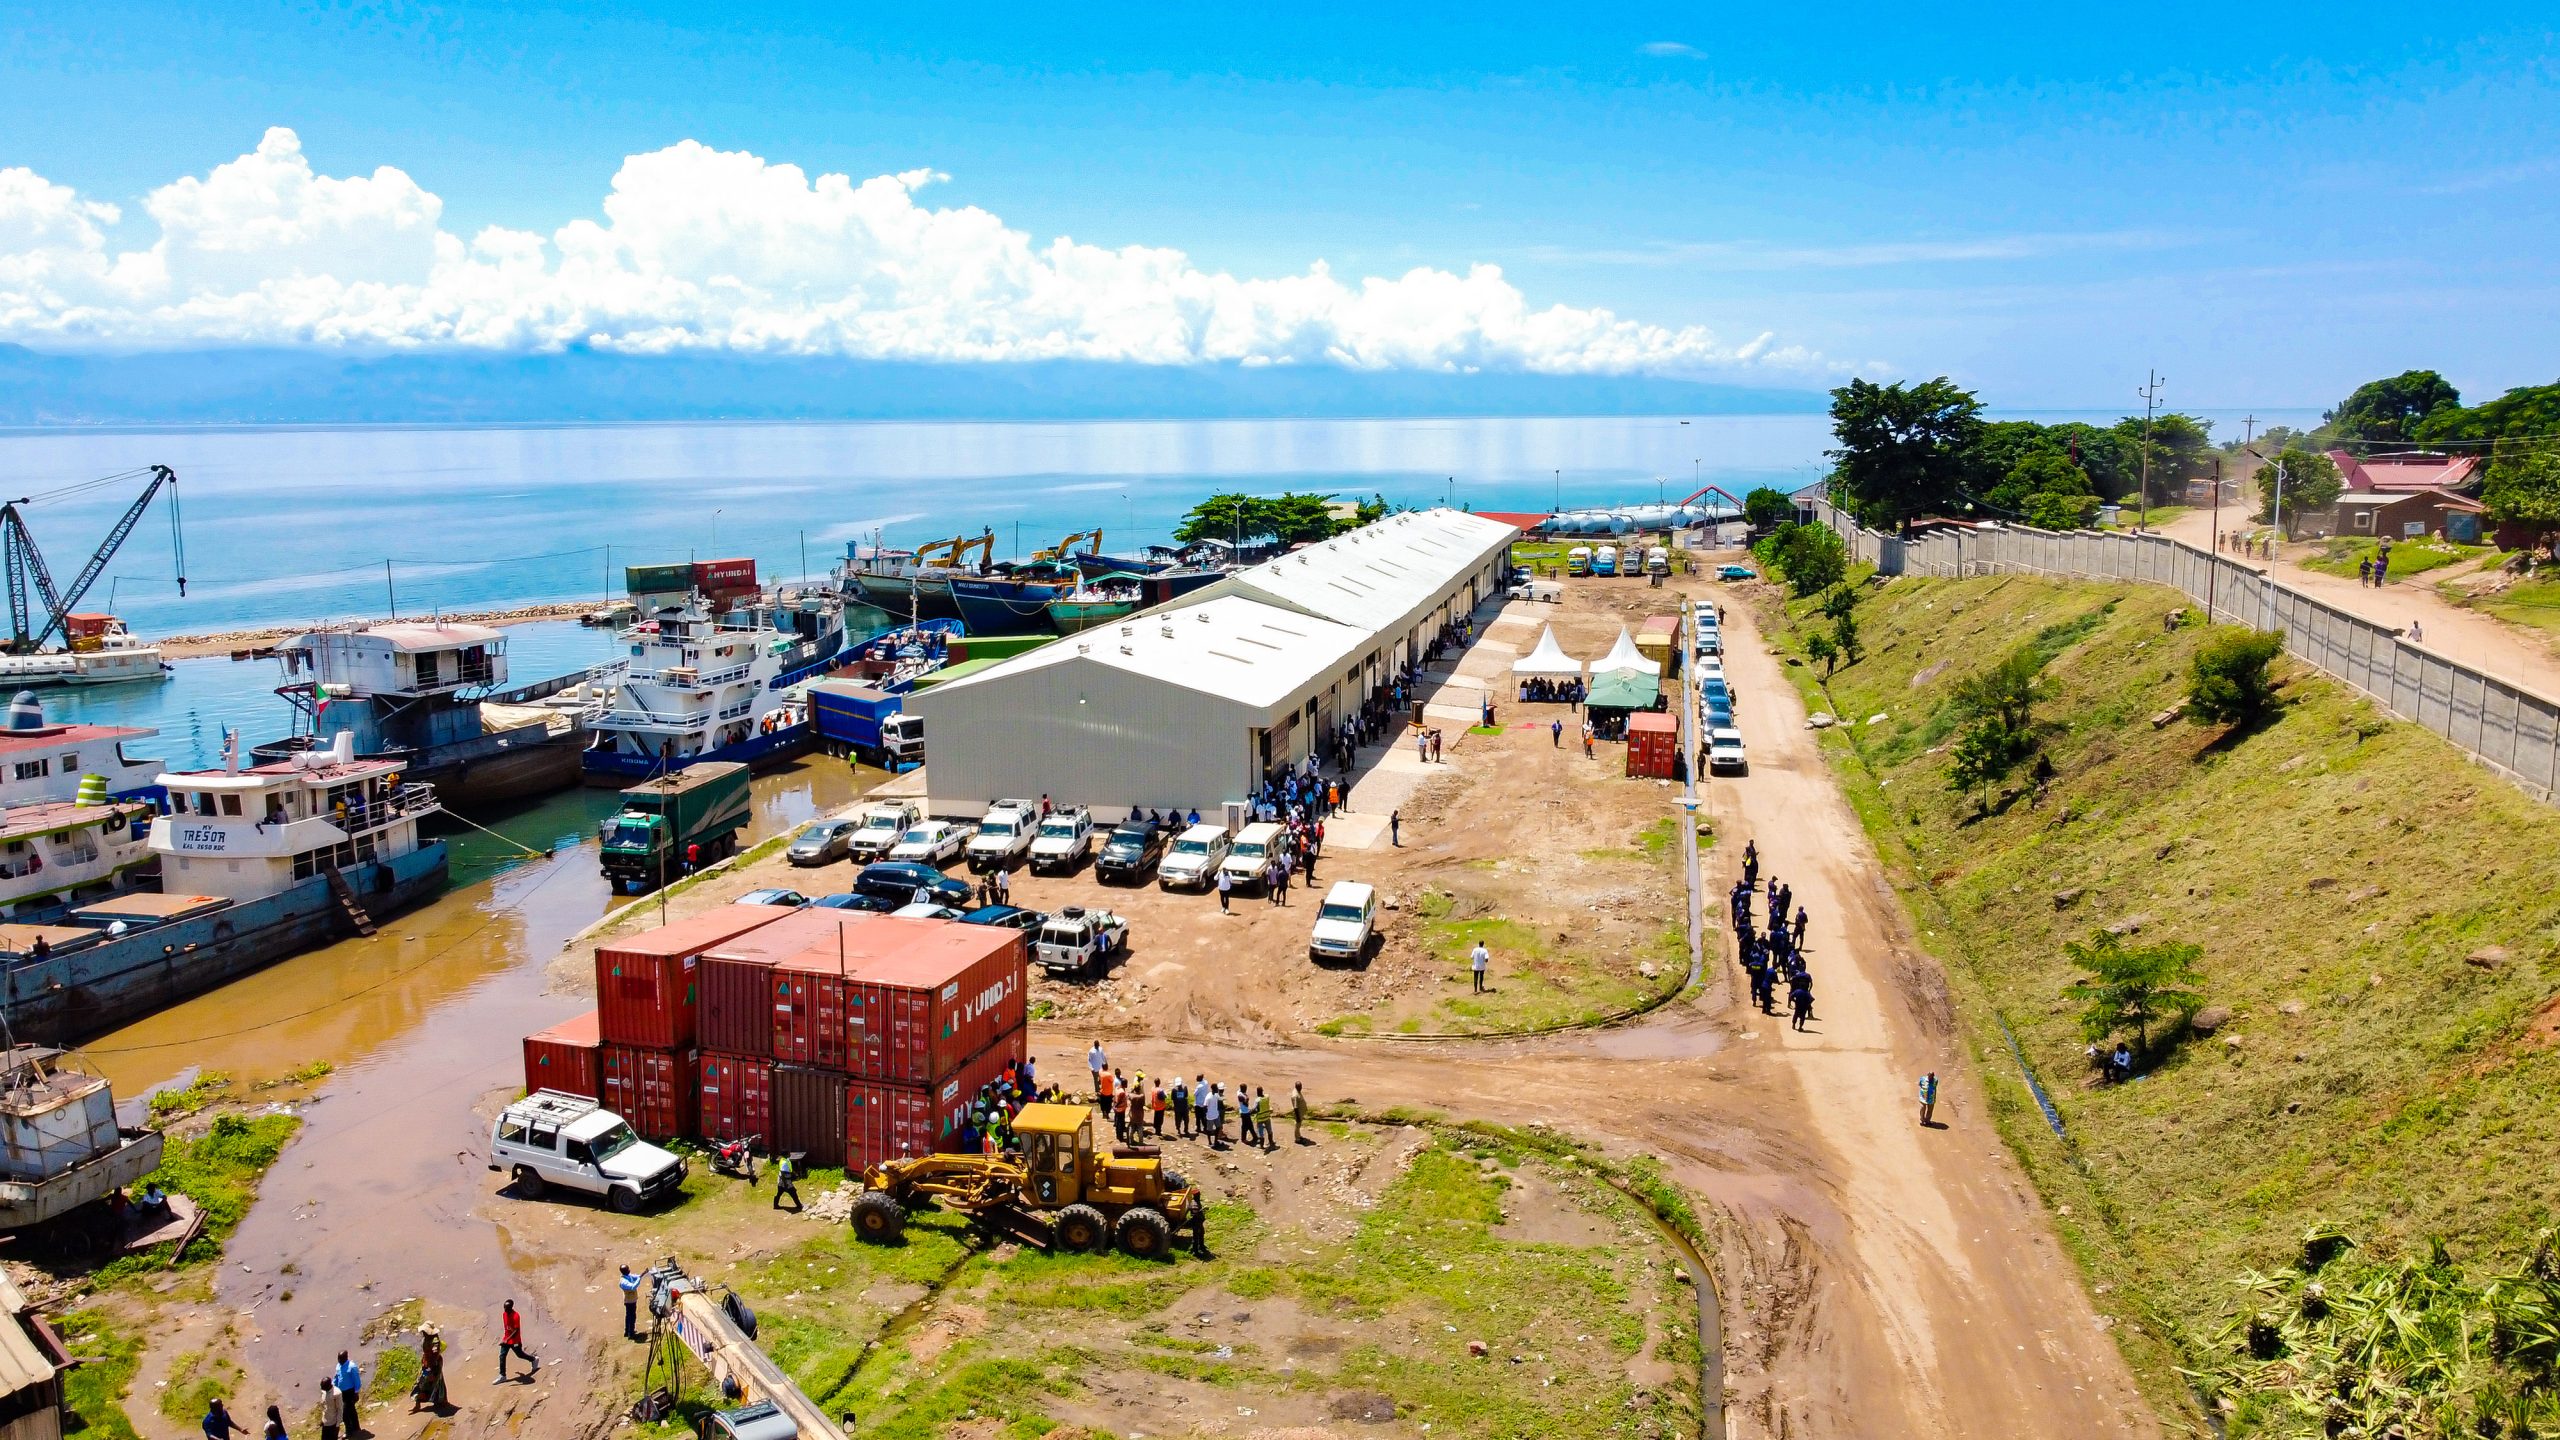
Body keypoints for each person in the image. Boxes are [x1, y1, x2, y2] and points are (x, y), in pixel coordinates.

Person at [497, 1300, 537, 1381]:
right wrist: (505, 1339)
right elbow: (507, 1327)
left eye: (507, 1308)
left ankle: (533, 1359)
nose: (505, 1310)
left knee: (519, 1355)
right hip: (507, 1339)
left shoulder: (516, 1316)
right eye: (504, 1307)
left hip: (515, 1341)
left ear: (511, 1307)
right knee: (502, 1356)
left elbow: (516, 1330)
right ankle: (502, 1375)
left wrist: (507, 1339)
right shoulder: (504, 1314)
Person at [411, 1324, 447, 1411]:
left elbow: (435, 1354)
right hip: (427, 1364)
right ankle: (418, 1403)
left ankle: (440, 1401)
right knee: (424, 1382)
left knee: (425, 1382)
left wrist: (430, 1369)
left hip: (432, 1365)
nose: (423, 1333)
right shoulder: (427, 1338)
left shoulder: (435, 1341)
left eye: (424, 1331)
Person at [334, 1352, 363, 1436]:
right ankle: (356, 1427)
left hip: (350, 1392)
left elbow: (357, 1380)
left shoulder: (351, 1367)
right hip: (341, 1392)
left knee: (344, 1412)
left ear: (346, 1358)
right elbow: (336, 1377)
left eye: (341, 1358)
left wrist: (356, 1392)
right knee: (351, 1410)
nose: (339, 1360)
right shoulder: (338, 1366)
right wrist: (333, 1387)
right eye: (338, 1358)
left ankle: (348, 1431)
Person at [619, 1263, 642, 1340]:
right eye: (628, 1269)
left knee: (629, 1316)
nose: (629, 1270)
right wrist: (639, 1279)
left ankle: (627, 1331)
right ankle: (631, 1334)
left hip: (632, 1299)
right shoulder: (623, 1282)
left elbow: (635, 1276)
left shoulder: (628, 1276)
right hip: (629, 1301)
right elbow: (633, 1287)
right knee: (631, 1317)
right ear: (624, 1271)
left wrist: (641, 1275)